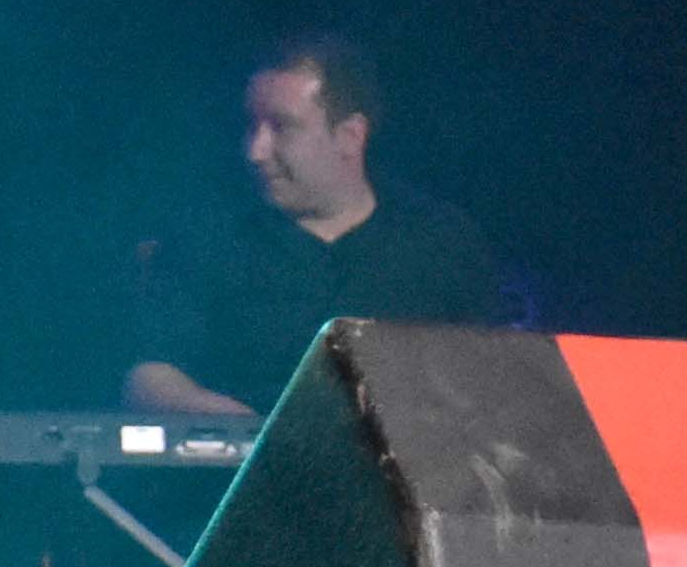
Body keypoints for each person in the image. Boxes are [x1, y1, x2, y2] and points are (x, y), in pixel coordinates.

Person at [125, 34, 495, 418]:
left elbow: (491, 378)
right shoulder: (208, 236)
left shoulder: (439, 241)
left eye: (282, 127)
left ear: (350, 135)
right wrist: (246, 429)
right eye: (252, 126)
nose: (255, 151)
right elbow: (150, 377)